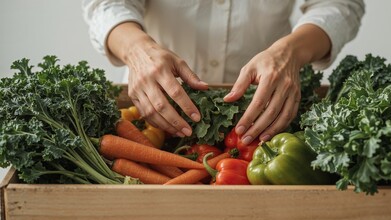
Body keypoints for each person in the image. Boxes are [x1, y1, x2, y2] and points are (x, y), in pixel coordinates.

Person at [82, 0, 365, 145]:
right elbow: (106, 4)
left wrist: (289, 53)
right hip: (153, 107)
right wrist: (137, 51)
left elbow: (338, 4)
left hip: (267, 113)